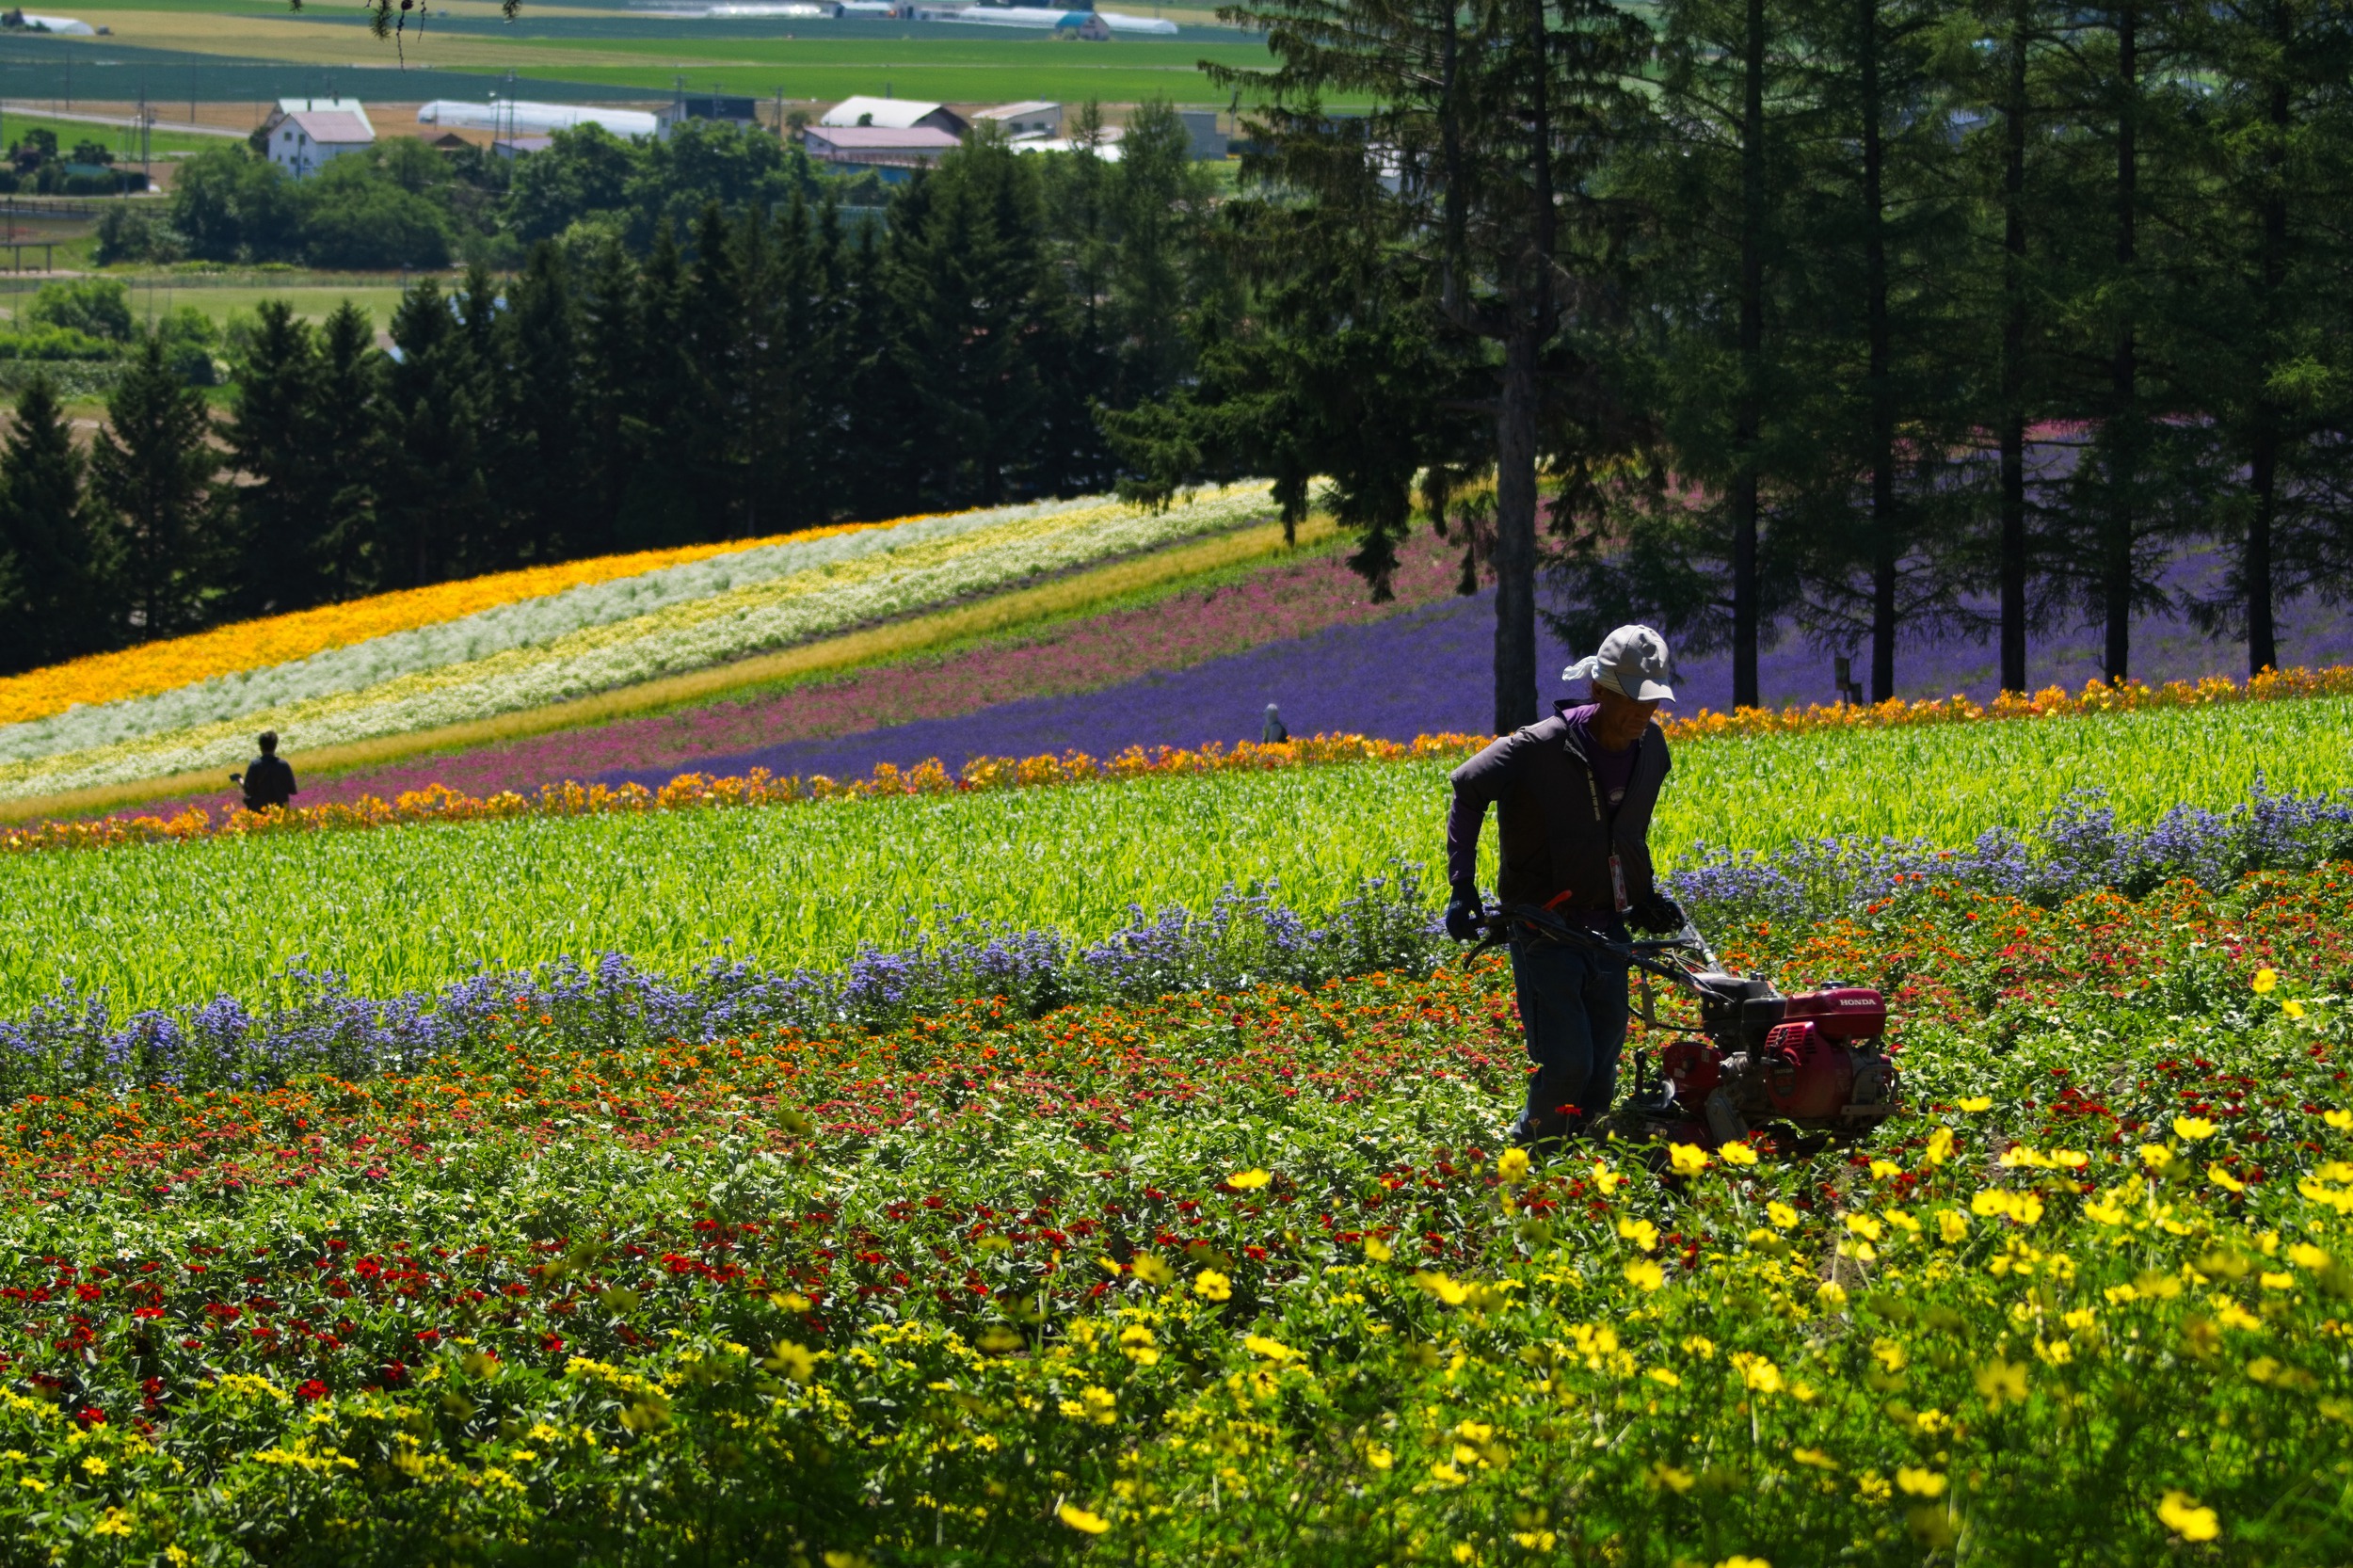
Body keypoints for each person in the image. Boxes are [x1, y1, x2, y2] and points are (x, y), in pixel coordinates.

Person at [1442, 625, 1686, 1144]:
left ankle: (1583, 1160)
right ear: (1598, 690)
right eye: (1631, 698)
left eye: (1651, 700)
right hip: (1545, 927)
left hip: (1609, 929)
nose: (1643, 712)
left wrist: (1642, 896)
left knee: (1603, 1060)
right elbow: (1467, 789)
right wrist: (1462, 885)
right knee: (1568, 1061)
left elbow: (1622, 833)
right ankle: (1531, 1154)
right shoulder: (1539, 745)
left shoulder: (1652, 749)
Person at [231, 730, 299, 812]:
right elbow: (292, 790)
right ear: (275, 746)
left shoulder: (255, 765)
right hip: (280, 813)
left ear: (260, 747)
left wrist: (239, 779)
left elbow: (248, 790)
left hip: (259, 813)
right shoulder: (283, 765)